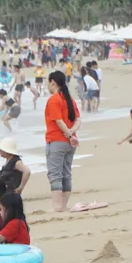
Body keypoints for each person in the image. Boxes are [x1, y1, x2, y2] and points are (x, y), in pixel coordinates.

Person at [43, 71, 81, 212]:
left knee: (55, 174)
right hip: (70, 142)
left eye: (48, 82)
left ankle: (57, 206)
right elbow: (78, 119)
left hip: (57, 140)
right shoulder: (70, 100)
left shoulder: (54, 100)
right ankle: (63, 205)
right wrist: (71, 133)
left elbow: (58, 121)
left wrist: (68, 134)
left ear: (53, 82)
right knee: (66, 173)